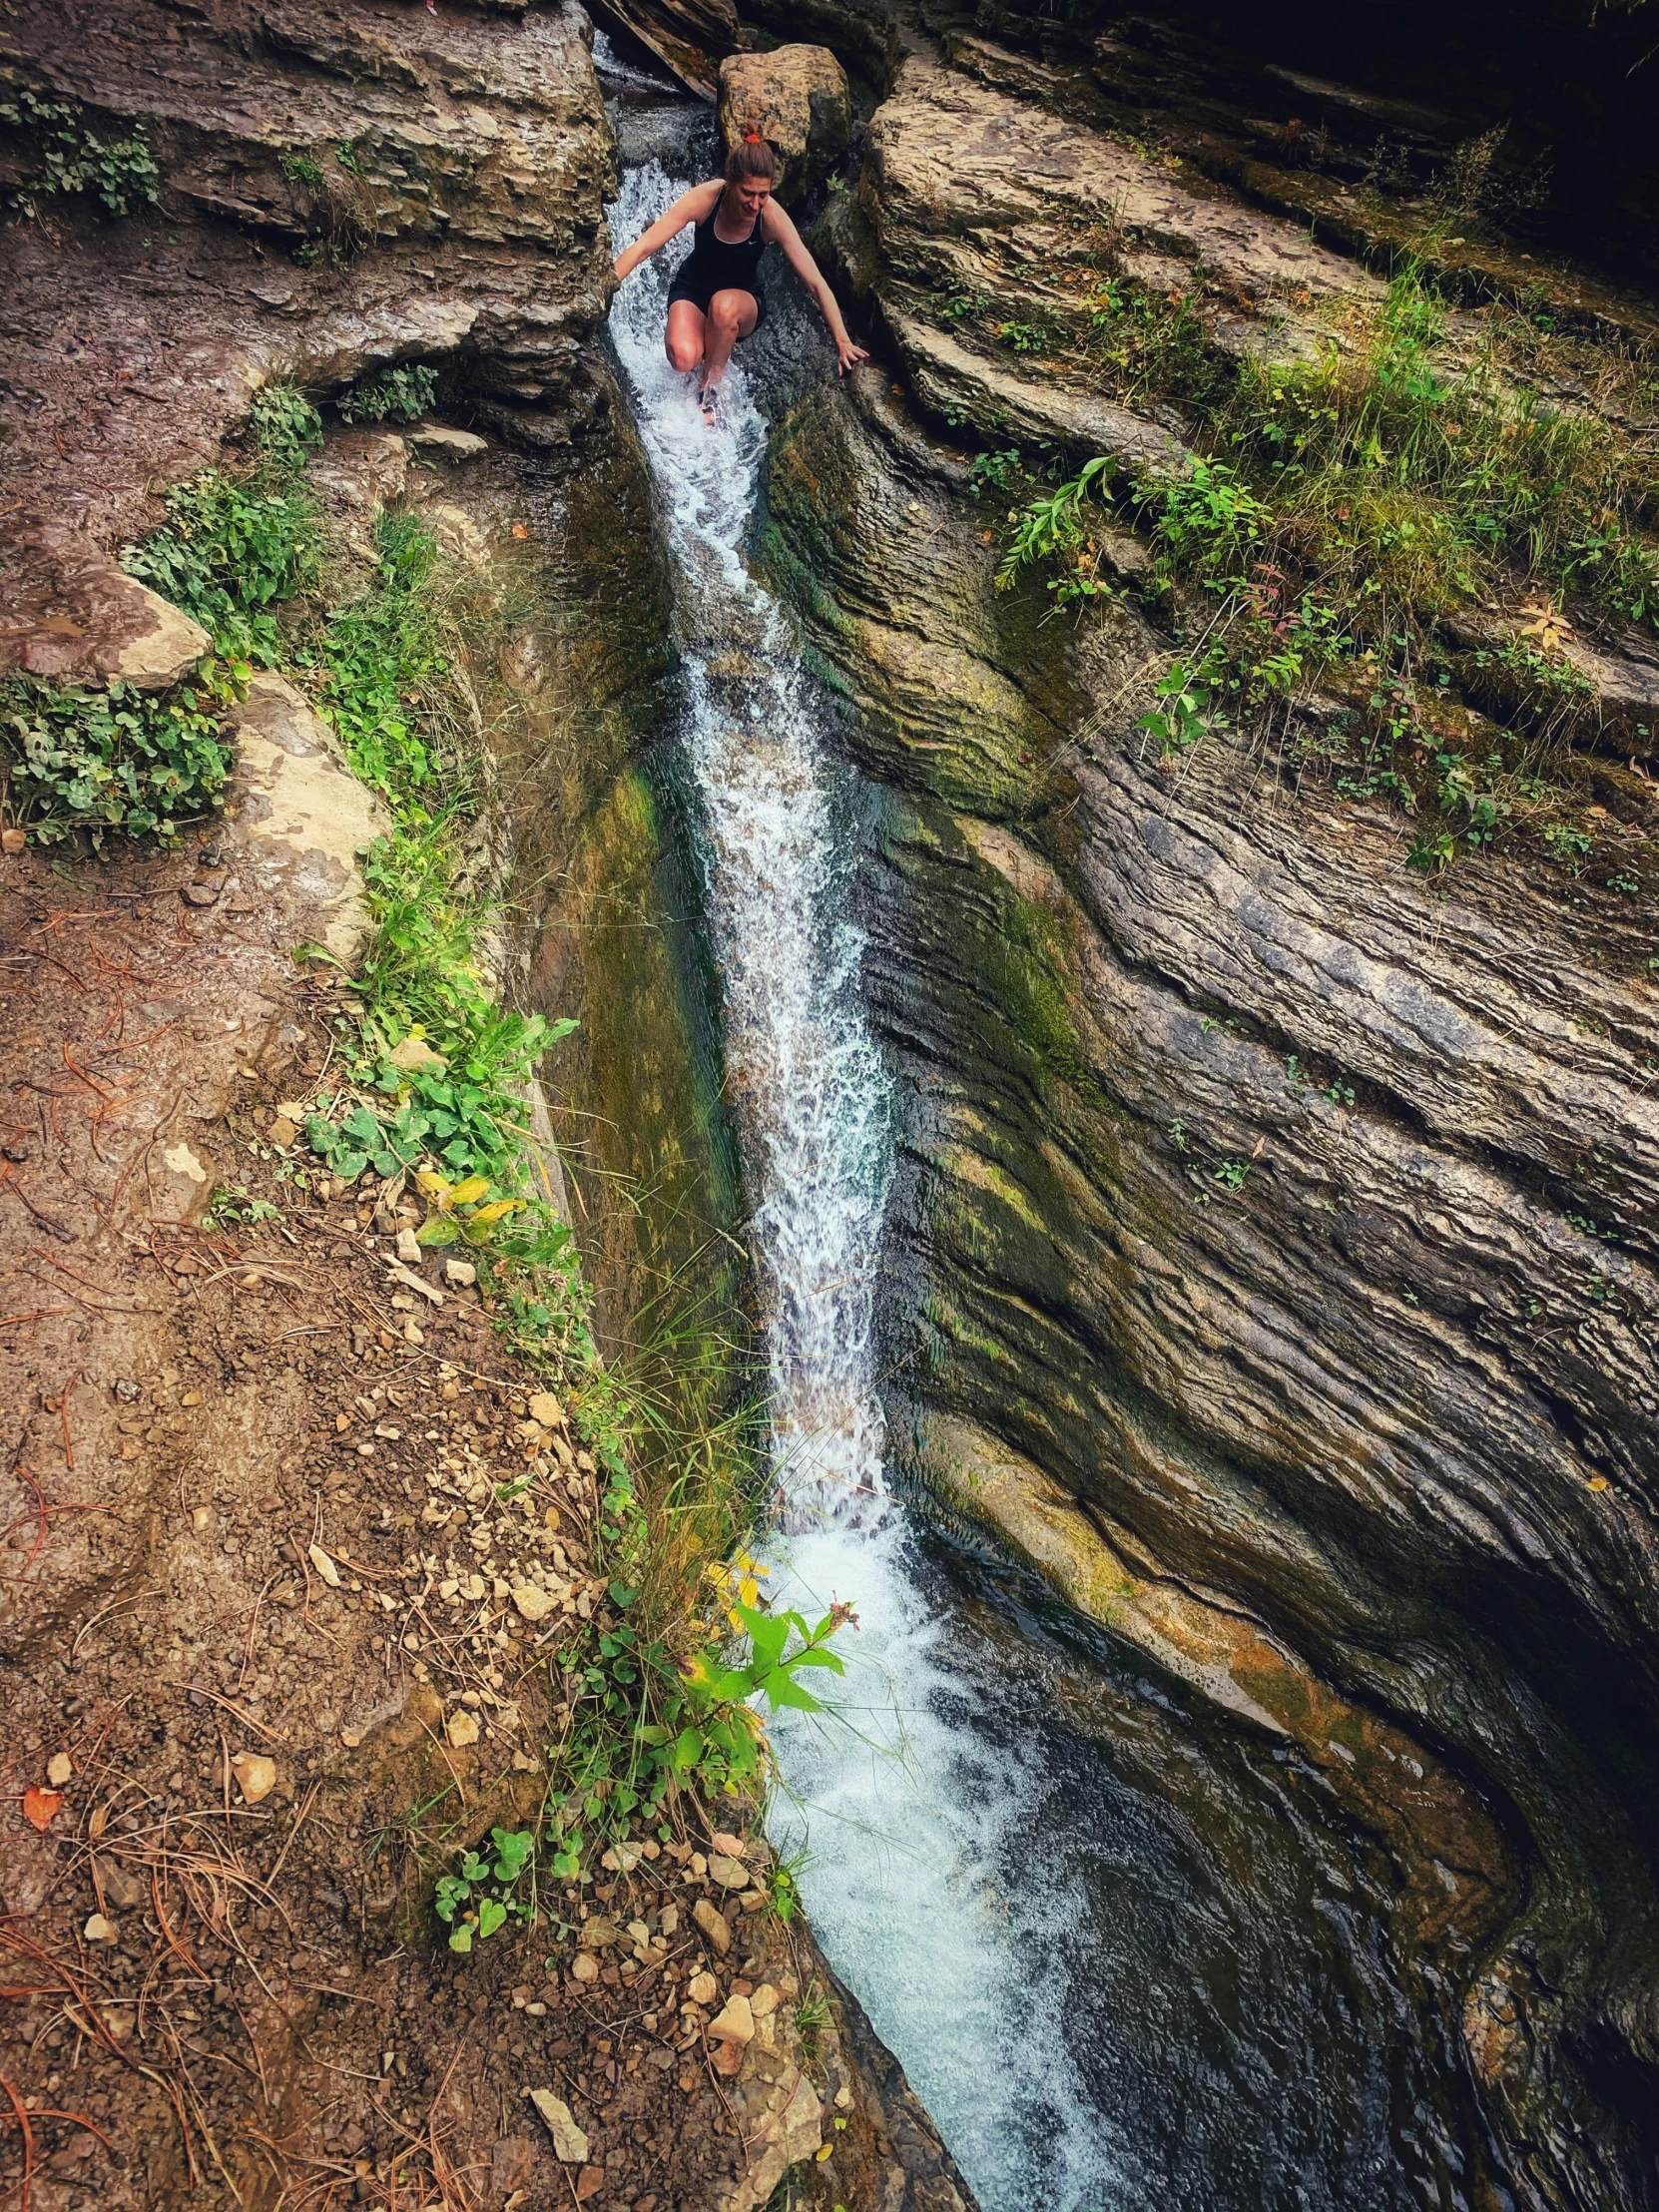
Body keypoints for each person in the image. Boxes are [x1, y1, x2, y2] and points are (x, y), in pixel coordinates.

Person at [611, 133, 868, 421]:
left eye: (763, 194)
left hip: (742, 301)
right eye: (748, 193)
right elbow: (645, 245)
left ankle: (709, 393)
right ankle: (707, 342)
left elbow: (815, 281)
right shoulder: (706, 199)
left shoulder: (771, 217)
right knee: (683, 358)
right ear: (731, 182)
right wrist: (606, 284)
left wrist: (842, 341)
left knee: (723, 306)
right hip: (694, 287)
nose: (755, 204)